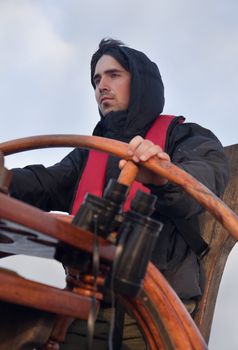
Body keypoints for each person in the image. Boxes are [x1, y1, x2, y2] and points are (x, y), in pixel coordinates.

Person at [8, 38, 229, 349]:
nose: (102, 86)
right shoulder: (87, 154)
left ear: (141, 82)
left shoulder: (187, 137)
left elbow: (205, 179)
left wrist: (162, 175)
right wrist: (6, 178)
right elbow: (44, 182)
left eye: (113, 75)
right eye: (97, 79)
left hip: (154, 314)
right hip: (87, 306)